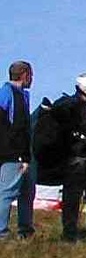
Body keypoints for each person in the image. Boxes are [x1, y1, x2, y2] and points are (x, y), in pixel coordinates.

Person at [51, 72, 86, 243]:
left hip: (74, 158)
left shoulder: (71, 106)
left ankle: (72, 233)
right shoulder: (80, 107)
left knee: (74, 198)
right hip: (80, 159)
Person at [0, 61, 34, 240]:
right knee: (7, 192)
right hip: (12, 153)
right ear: (25, 74)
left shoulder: (21, 95)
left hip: (21, 153)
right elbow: (16, 126)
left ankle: (25, 230)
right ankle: (2, 232)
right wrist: (14, 148)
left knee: (27, 191)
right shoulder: (8, 93)